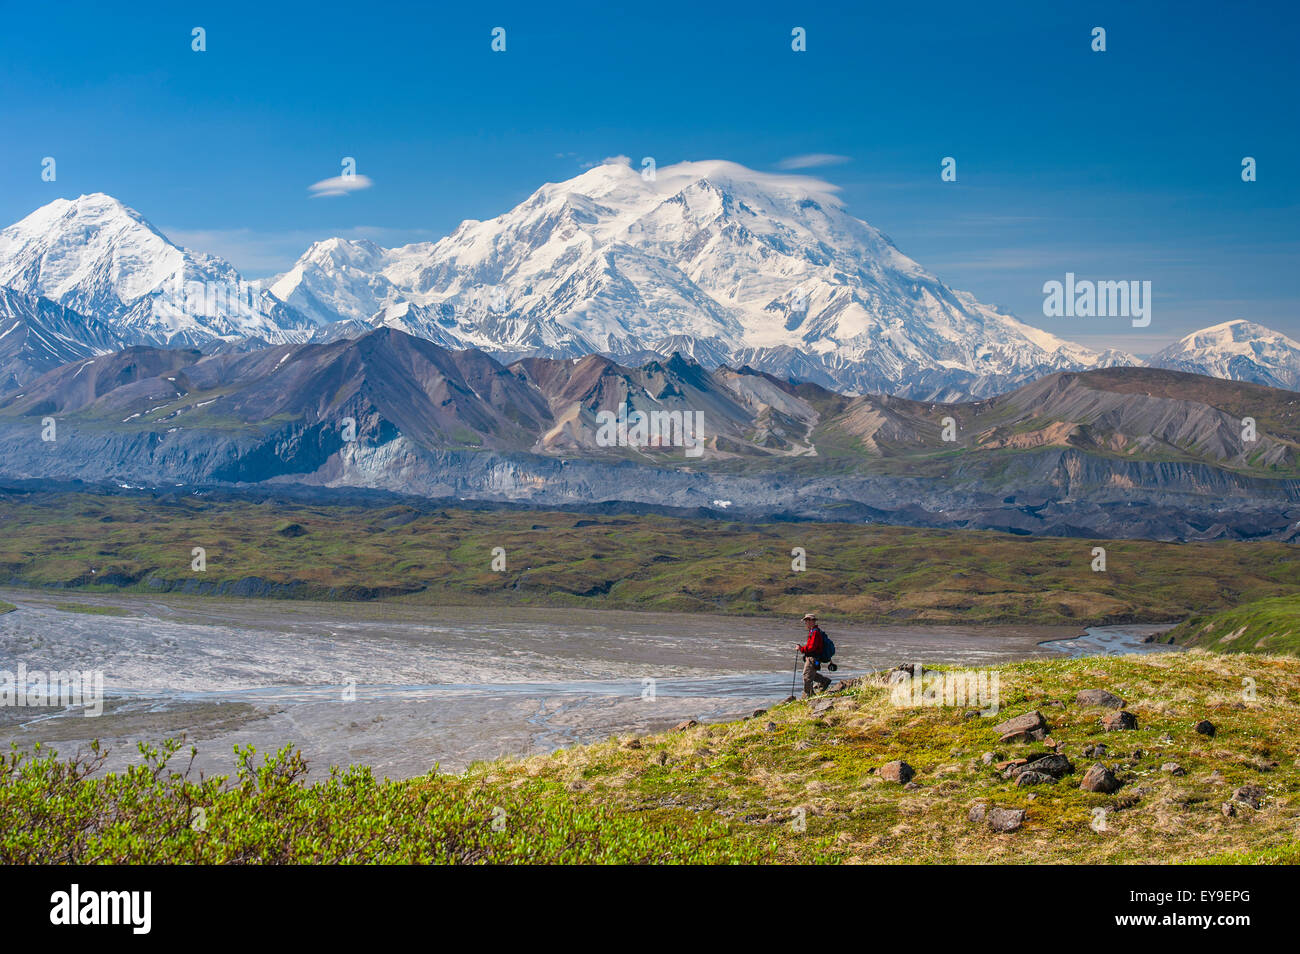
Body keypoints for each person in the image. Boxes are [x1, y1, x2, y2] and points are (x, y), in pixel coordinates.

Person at [796, 612, 832, 698]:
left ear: (811, 621)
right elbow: (811, 646)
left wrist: (801, 649)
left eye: (806, 621)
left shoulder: (815, 632)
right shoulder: (813, 631)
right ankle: (824, 681)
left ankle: (808, 696)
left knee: (807, 676)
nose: (805, 623)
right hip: (814, 657)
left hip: (813, 657)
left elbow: (811, 647)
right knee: (810, 674)